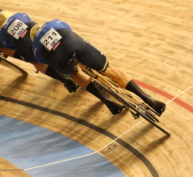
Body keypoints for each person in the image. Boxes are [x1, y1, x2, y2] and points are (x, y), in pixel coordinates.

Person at [30, 19, 166, 115]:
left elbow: (45, 61)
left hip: (59, 60)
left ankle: (107, 101)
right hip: (74, 43)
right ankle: (147, 98)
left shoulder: (35, 47)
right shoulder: (54, 23)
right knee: (108, 69)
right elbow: (70, 31)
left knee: (76, 74)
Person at [0, 11, 78, 93]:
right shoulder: (20, 15)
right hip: (39, 35)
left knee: (36, 62)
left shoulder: (2, 34)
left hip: (24, 46)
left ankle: (63, 79)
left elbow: (9, 46)